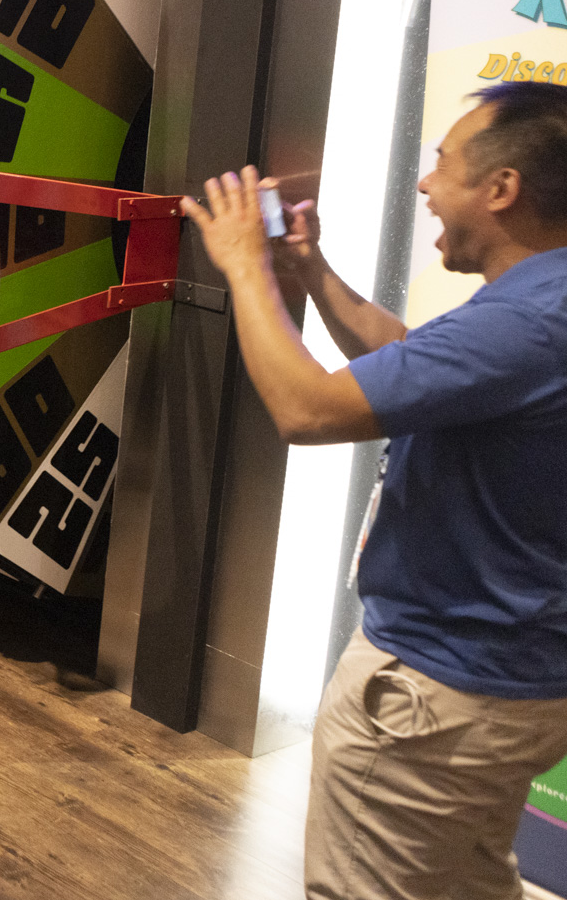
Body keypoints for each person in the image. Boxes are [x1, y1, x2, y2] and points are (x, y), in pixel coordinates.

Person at [182, 81, 567, 900]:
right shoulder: (543, 303)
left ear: (502, 188)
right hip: (503, 684)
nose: (425, 183)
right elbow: (418, 364)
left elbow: (306, 408)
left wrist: (245, 265)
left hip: (436, 697)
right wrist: (311, 271)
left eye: (443, 163)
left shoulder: (531, 321)